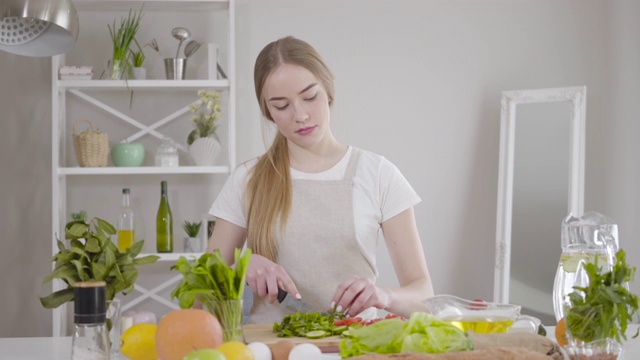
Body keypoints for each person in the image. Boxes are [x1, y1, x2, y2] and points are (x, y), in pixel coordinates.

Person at [207, 35, 434, 324]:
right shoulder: (248, 179)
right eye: (281, 105)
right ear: (268, 112)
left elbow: (424, 297)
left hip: (354, 347)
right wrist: (241, 264)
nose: (300, 115)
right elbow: (203, 287)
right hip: (272, 348)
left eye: (309, 96)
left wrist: (384, 297)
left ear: (328, 91)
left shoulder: (378, 174)